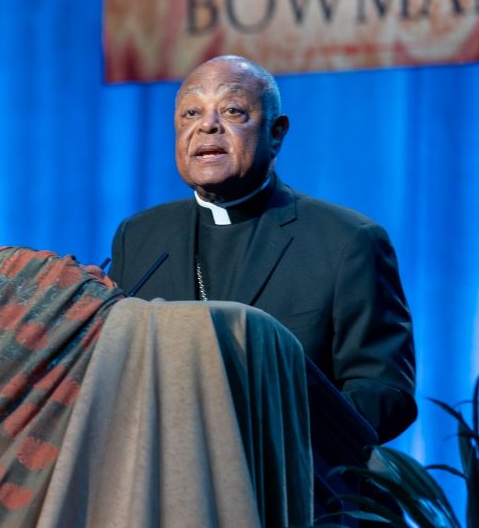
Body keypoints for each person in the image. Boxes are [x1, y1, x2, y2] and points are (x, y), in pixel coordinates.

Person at [109, 55, 417, 442]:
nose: (207, 125)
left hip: (291, 490)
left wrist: (273, 439)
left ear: (276, 133)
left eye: (233, 111)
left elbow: (385, 393)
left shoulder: (347, 240)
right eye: (191, 112)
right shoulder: (140, 236)